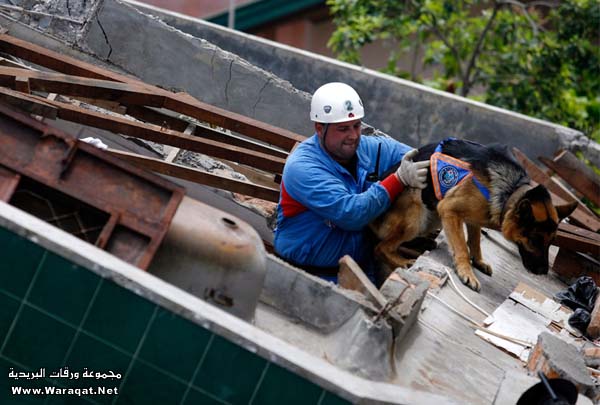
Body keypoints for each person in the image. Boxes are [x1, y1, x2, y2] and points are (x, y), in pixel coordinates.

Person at [273, 82, 429, 282]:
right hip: (307, 276)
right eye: (343, 129)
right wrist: (398, 179)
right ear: (320, 128)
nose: (353, 136)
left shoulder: (368, 149)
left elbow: (416, 156)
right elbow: (351, 213)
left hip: (362, 272)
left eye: (357, 126)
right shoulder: (303, 168)